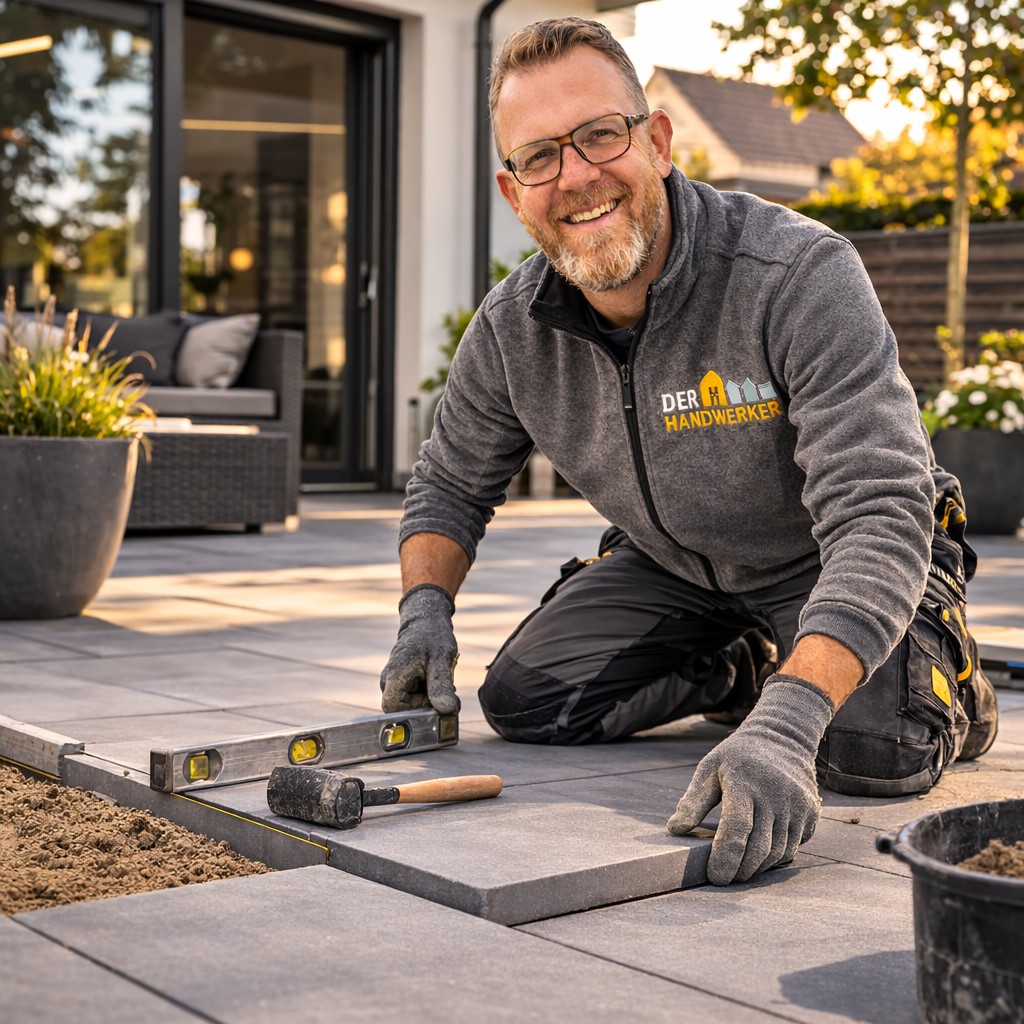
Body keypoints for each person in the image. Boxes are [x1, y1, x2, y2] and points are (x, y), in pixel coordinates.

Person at [380, 18, 999, 886]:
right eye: (540, 158)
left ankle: (951, 684)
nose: (578, 176)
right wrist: (422, 615)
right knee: (526, 701)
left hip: (837, 555)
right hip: (678, 566)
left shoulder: (797, 274)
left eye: (600, 135)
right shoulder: (510, 331)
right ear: (513, 191)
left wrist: (787, 724)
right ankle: (747, 661)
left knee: (871, 752)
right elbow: (448, 485)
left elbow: (878, 511)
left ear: (658, 141)